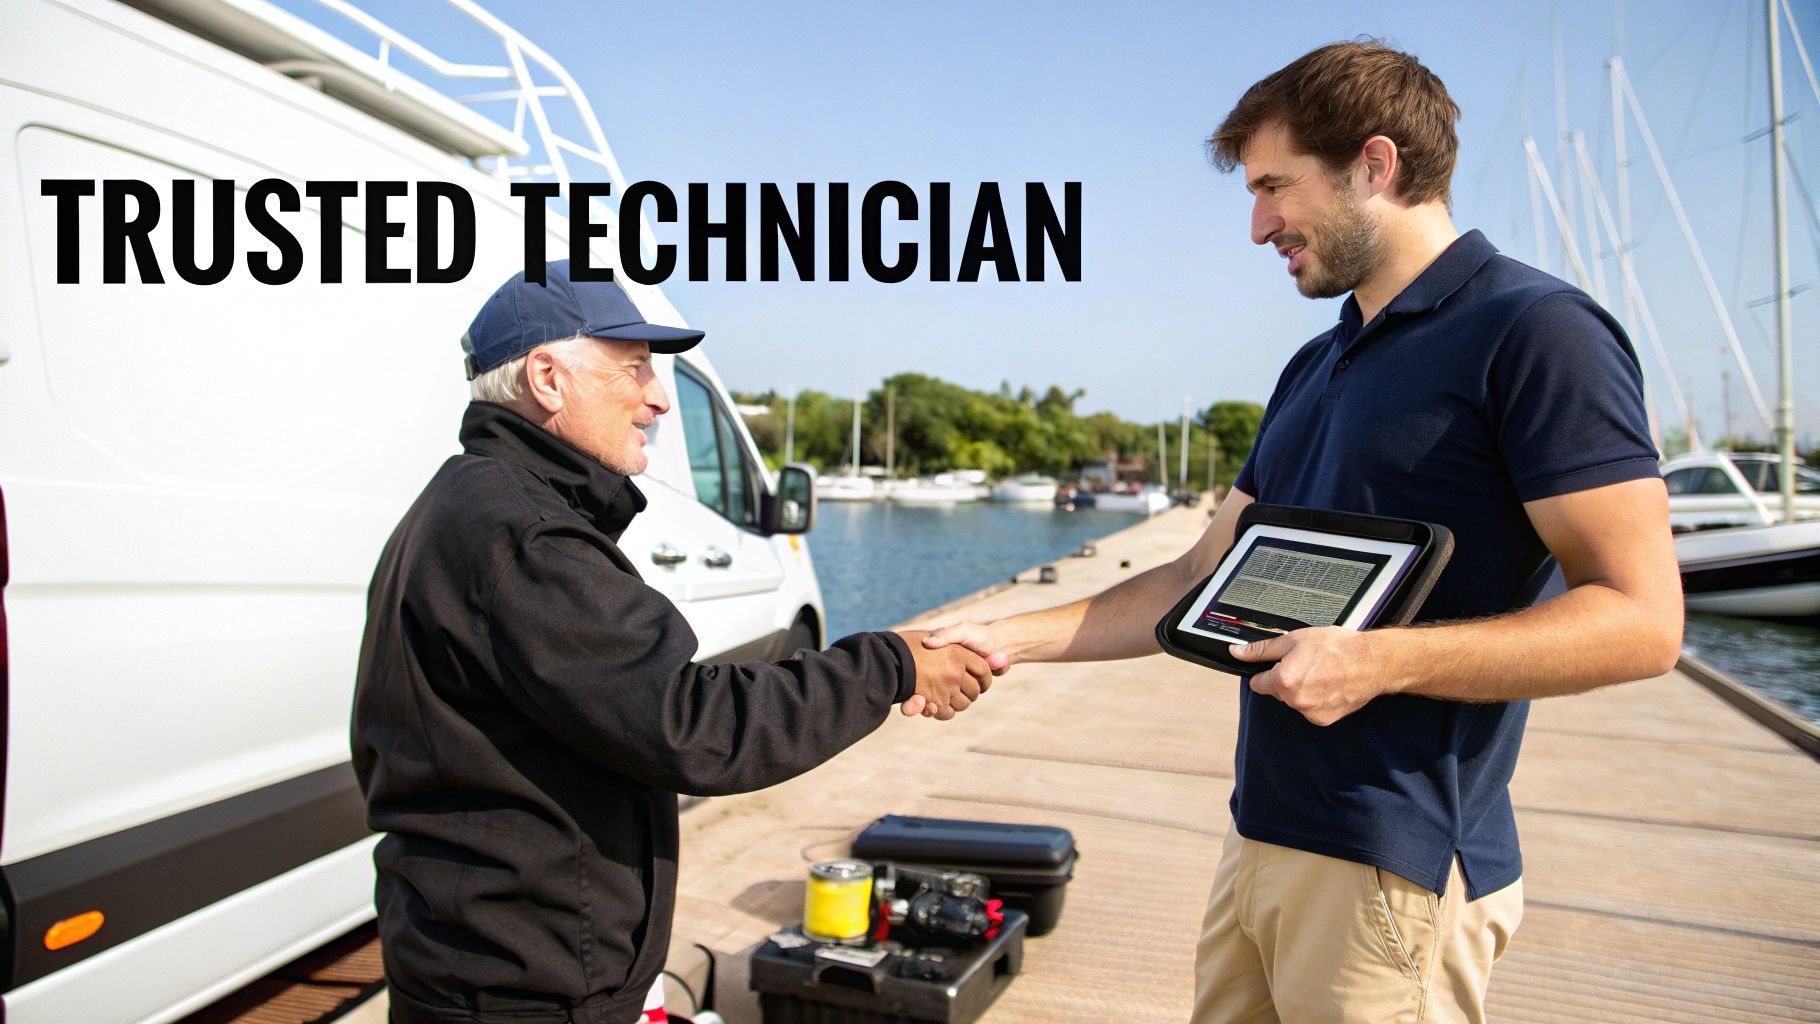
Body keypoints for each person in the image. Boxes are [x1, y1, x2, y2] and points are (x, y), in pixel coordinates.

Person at [925, 41, 1683, 1023]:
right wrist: (1004, 638)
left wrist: (1375, 663)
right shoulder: (1312, 368)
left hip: (1390, 866)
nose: (1255, 226)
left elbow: (1641, 620)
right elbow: (1196, 577)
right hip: (1262, 840)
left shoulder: (1536, 332)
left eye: (1274, 187)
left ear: (1374, 165)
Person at [352, 261, 993, 1024]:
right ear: (547, 378)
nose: (658, 398)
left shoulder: (463, 503)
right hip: (521, 990)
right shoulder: (525, 539)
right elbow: (693, 725)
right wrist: (891, 664)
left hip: (477, 963)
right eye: (634, 368)